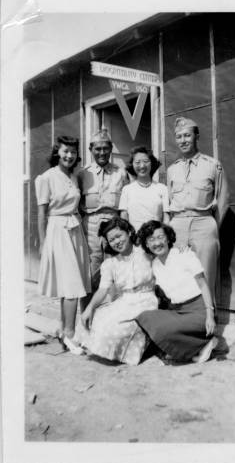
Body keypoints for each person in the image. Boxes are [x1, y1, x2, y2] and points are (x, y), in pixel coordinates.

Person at [35, 136, 91, 355]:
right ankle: (69, 335)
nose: (69, 156)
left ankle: (63, 329)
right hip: (58, 230)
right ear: (58, 152)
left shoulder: (75, 177)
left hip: (75, 229)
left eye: (73, 152)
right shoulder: (46, 178)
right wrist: (43, 243)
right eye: (65, 151)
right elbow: (41, 215)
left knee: (71, 284)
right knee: (72, 286)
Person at [75, 217, 158, 365]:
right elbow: (102, 290)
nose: (117, 242)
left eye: (119, 236)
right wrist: (89, 308)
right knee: (92, 319)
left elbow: (165, 252)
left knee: (116, 330)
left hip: (146, 301)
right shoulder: (110, 263)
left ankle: (133, 351)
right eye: (112, 240)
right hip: (125, 301)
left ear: (129, 232)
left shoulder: (146, 251)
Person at [137, 220, 218, 364]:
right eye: (151, 240)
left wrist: (210, 315)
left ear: (168, 238)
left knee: (164, 329)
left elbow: (204, 285)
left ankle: (203, 343)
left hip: (200, 311)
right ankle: (200, 344)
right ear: (147, 245)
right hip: (178, 311)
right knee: (145, 317)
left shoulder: (184, 254)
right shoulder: (155, 264)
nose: (157, 243)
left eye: (160, 237)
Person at [167, 116, 229, 301]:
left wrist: (212, 226)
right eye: (179, 137)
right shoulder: (172, 169)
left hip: (203, 222)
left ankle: (208, 320)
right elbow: (170, 199)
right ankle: (184, 320)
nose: (183, 140)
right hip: (177, 224)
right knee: (179, 273)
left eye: (187, 135)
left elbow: (223, 200)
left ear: (196, 136)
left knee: (205, 274)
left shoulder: (213, 165)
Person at [78, 128, 128, 297]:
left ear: (111, 149)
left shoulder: (121, 173)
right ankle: (88, 318)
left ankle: (113, 316)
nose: (102, 152)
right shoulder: (83, 174)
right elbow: (77, 204)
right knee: (91, 273)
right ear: (90, 150)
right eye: (97, 149)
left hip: (114, 225)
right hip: (90, 225)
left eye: (105, 148)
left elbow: (126, 204)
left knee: (115, 270)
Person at [119, 146, 169, 231]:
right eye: (137, 162)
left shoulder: (162, 188)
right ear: (132, 165)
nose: (142, 166)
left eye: (146, 161)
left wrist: (162, 234)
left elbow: (166, 218)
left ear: (152, 163)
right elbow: (124, 217)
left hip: (156, 239)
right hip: (135, 239)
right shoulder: (127, 190)